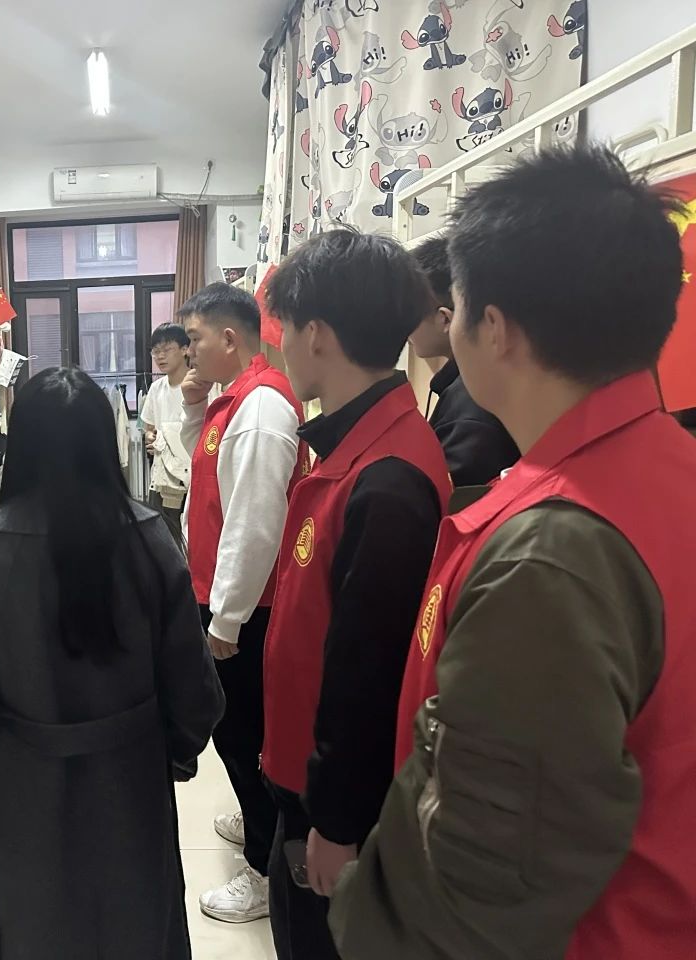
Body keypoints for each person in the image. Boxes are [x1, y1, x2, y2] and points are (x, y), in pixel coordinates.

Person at [331, 147, 696, 959]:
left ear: (493, 329)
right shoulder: (667, 470)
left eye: (455, 306)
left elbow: (480, 884)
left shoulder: (553, 554)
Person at [0, 368, 224, 960]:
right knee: (137, 926)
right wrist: (174, 756)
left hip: (21, 787)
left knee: (31, 930)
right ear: (104, 441)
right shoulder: (151, 538)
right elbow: (194, 688)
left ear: (21, 445)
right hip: (131, 778)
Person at [261, 228, 450, 959]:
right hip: (305, 775)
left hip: (336, 803)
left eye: (284, 327)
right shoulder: (355, 449)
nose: (281, 345)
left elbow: (368, 674)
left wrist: (337, 824)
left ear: (316, 333)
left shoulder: (387, 478)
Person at [178, 283, 306, 923]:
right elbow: (206, 476)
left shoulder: (260, 409)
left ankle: (263, 866)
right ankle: (259, 828)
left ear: (229, 338)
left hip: (249, 612)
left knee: (242, 733)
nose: (188, 351)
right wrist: (194, 406)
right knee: (237, 732)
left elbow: (254, 526)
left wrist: (225, 621)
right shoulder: (234, 400)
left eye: (195, 339)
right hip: (227, 600)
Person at [407, 233, 519, 490]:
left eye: (410, 313)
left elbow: (449, 500)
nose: (405, 326)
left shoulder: (471, 411)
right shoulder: (469, 387)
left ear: (445, 319)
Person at [139, 322, 194, 547]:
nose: (160, 356)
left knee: (190, 536)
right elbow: (149, 428)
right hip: (162, 476)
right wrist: (150, 438)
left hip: (191, 475)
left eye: (166, 349)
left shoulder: (201, 385)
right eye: (155, 351)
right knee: (163, 537)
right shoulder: (156, 388)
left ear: (185, 349)